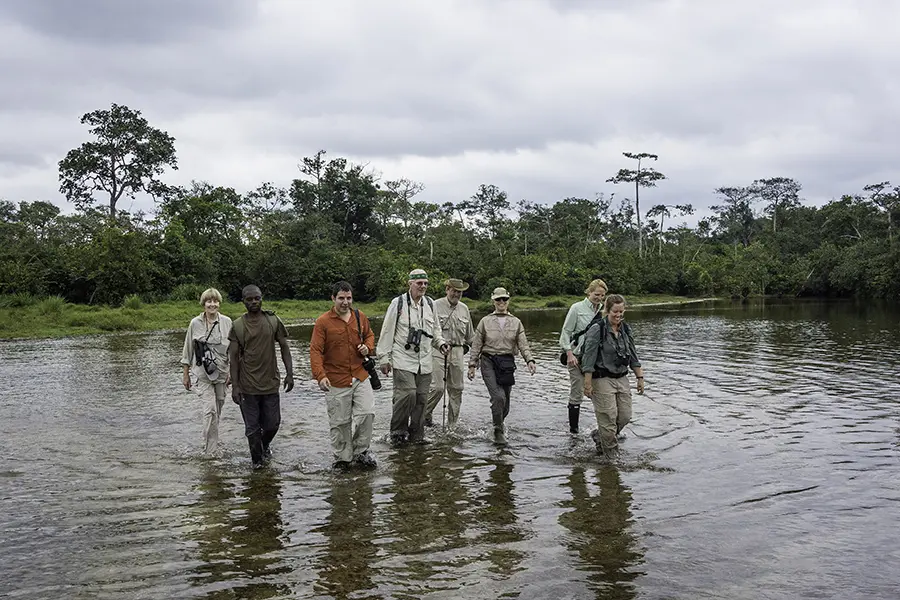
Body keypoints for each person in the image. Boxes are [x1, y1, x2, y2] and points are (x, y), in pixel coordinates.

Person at [309, 281, 377, 472]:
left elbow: (370, 336)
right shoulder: (323, 322)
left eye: (348, 298)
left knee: (367, 414)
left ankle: (360, 453)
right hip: (335, 379)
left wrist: (368, 347)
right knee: (340, 422)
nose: (345, 302)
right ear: (333, 298)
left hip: (360, 375)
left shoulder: (359, 316)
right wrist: (320, 376)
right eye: (341, 298)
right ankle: (343, 458)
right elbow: (315, 350)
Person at [376, 269, 448, 445]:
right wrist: (384, 358)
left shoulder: (430, 304)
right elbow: (387, 331)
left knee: (421, 399)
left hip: (425, 360)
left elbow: (436, 330)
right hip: (402, 358)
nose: (423, 286)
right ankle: (398, 433)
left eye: (425, 283)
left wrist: (441, 343)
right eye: (419, 283)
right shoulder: (398, 303)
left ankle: (417, 435)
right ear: (410, 284)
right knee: (407, 394)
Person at [227, 284, 294, 469]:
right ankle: (257, 467)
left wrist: (290, 374)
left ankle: (263, 448)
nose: (254, 302)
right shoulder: (238, 326)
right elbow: (233, 358)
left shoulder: (273, 320)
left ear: (261, 298)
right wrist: (235, 386)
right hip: (247, 386)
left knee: (272, 424)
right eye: (249, 299)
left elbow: (284, 347)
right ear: (243, 302)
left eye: (257, 298)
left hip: (270, 383)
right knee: (252, 429)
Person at [467, 287, 536, 446]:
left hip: (507, 363)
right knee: (498, 397)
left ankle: (497, 423)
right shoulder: (485, 321)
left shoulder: (516, 322)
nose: (501, 302)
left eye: (504, 299)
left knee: (506, 402)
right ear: (493, 301)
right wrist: (472, 364)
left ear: (508, 301)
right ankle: (498, 430)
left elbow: (523, 344)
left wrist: (530, 360)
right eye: (498, 299)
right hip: (488, 361)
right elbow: (477, 345)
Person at [580, 294, 644, 458]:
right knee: (608, 418)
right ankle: (611, 459)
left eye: (621, 312)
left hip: (621, 378)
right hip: (601, 379)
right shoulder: (597, 329)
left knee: (624, 416)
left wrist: (639, 378)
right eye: (615, 311)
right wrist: (587, 384)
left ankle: (599, 436)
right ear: (607, 310)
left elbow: (633, 355)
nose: (618, 315)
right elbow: (588, 358)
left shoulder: (625, 329)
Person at [180, 288, 233, 456]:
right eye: (209, 301)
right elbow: (188, 348)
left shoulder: (227, 322)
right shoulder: (195, 323)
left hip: (222, 374)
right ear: (203, 304)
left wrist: (232, 371)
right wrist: (185, 373)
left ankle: (211, 443)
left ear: (219, 303)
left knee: (217, 410)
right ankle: (211, 453)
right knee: (209, 409)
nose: (212, 304)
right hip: (202, 373)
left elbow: (232, 350)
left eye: (215, 301)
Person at [424, 278, 475, 429]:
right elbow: (428, 332)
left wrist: (479, 353)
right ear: (447, 289)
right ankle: (423, 416)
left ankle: (452, 426)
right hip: (438, 349)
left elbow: (470, 336)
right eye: (454, 291)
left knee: (457, 389)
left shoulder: (464, 308)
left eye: (459, 292)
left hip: (458, 350)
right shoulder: (434, 305)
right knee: (437, 388)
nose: (456, 294)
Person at [559, 279, 608, 434]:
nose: (599, 298)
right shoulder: (576, 308)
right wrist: (569, 353)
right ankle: (574, 431)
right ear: (589, 292)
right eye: (596, 294)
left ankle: (604, 428)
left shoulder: (604, 310)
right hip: (576, 357)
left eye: (602, 295)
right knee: (577, 393)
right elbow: (565, 333)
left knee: (600, 392)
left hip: (595, 359)